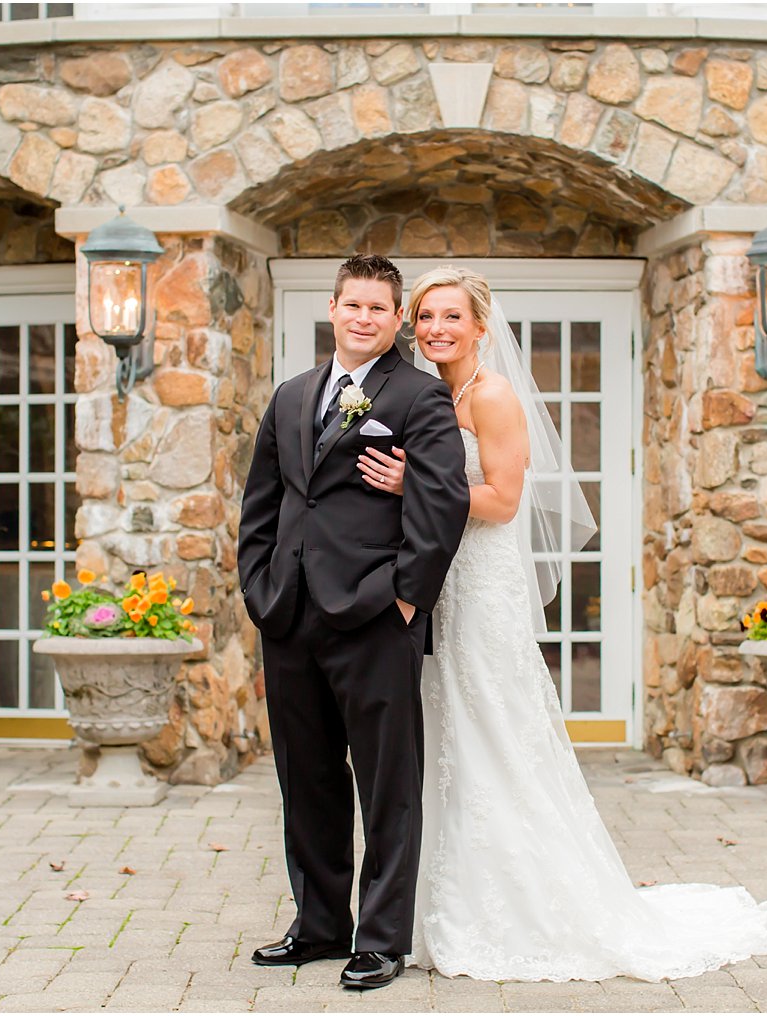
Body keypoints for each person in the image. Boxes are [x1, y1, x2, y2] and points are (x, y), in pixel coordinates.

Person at [356, 265, 767, 981]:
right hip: (440, 582)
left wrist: (420, 485)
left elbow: (501, 501)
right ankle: (435, 903)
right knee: (444, 735)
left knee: (496, 729)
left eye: (451, 317)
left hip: (483, 582)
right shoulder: (429, 391)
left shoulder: (493, 395)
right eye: (426, 317)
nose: (435, 328)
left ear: (480, 324)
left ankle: (526, 906)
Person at [237, 254, 470, 990]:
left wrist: (405, 599)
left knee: (386, 783)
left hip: (374, 616)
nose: (364, 318)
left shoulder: (419, 396)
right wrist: (259, 588)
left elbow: (443, 505)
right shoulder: (292, 395)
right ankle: (317, 927)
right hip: (290, 618)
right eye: (353, 305)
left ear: (395, 318)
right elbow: (263, 506)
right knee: (306, 780)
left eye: (379, 308)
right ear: (332, 308)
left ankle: (381, 939)